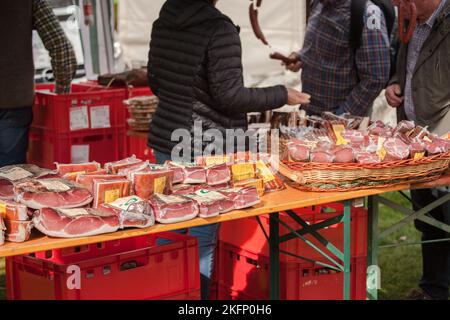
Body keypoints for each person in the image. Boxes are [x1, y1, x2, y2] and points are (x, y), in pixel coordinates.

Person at [147, 0, 310, 299]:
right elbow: (230, 96)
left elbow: (155, 81)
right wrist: (280, 94)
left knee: (168, 232)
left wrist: (184, 98)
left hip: (168, 138)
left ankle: (166, 295)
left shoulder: (165, 19)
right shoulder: (219, 28)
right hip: (206, 147)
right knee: (201, 237)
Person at [385, 0, 450, 300]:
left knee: (446, 218)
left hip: (443, 142)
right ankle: (432, 289)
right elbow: (406, 65)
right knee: (429, 220)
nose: (398, 4)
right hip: (415, 142)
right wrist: (395, 82)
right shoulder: (410, 18)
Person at [0, 0, 77, 167]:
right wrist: (62, 92)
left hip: (14, 103)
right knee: (10, 179)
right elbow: (61, 48)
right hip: (13, 100)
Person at [285, 0, 392, 116]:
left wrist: (341, 116)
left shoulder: (369, 14)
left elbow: (376, 77)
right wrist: (301, 57)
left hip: (342, 125)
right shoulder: (318, 4)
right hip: (309, 113)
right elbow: (326, 48)